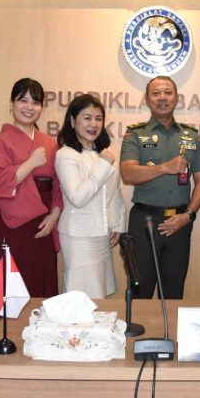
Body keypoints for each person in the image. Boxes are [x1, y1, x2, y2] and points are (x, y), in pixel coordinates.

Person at [120, 76, 200, 299]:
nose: (162, 97)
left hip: (180, 222)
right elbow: (128, 174)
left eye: (168, 92)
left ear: (177, 98)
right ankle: (139, 324)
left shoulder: (191, 136)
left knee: (173, 292)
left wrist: (188, 215)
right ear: (147, 99)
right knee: (140, 291)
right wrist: (165, 168)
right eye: (156, 93)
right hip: (144, 221)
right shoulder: (135, 134)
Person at [0, 78, 63, 297]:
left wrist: (54, 215)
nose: (29, 107)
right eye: (23, 100)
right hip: (9, 223)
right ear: (12, 104)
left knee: (37, 281)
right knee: (8, 286)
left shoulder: (50, 143)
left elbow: (58, 185)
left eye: (35, 102)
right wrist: (30, 164)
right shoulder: (0, 141)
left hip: (42, 223)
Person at [54, 94, 125, 298]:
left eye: (98, 118)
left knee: (99, 293)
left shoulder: (102, 152)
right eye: (87, 118)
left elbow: (115, 192)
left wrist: (118, 224)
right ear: (72, 120)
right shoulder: (66, 154)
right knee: (81, 296)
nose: (93, 124)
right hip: (79, 236)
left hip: (103, 235)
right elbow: (78, 197)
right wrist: (103, 164)